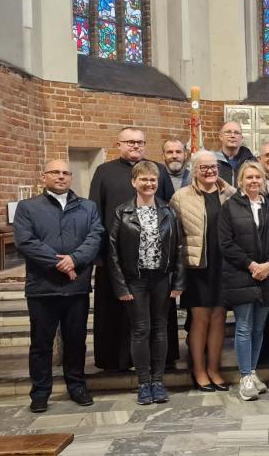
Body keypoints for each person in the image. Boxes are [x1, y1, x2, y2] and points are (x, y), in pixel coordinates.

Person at [14, 160, 103, 413]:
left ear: (71, 177)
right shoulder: (28, 207)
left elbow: (95, 237)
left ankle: (77, 386)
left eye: (65, 173)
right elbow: (26, 242)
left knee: (76, 341)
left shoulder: (87, 207)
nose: (61, 176)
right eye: (55, 172)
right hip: (42, 287)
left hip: (76, 286)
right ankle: (40, 392)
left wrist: (75, 259)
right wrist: (61, 264)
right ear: (44, 176)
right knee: (41, 344)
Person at [89, 127, 178, 371]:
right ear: (118, 144)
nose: (136, 146)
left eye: (140, 142)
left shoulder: (158, 170)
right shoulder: (104, 172)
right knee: (117, 312)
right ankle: (116, 359)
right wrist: (99, 254)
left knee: (157, 318)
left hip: (155, 261)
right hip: (116, 258)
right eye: (130, 142)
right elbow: (95, 212)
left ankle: (159, 361)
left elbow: (170, 208)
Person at [108, 161, 185, 405]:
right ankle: (143, 383)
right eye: (143, 179)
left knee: (160, 329)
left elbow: (179, 248)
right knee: (141, 330)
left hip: (161, 279)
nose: (149, 183)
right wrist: (121, 286)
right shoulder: (122, 212)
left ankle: (158, 382)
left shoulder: (168, 211)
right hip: (136, 280)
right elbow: (112, 251)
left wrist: (178, 282)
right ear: (134, 182)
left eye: (152, 179)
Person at [169, 150, 236, 392]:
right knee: (200, 319)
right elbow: (174, 237)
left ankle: (214, 369)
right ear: (194, 170)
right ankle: (198, 370)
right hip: (197, 266)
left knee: (219, 317)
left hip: (224, 265)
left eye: (213, 167)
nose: (209, 171)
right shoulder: (180, 197)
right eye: (203, 167)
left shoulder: (230, 193)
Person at [219, 161, 269, 401]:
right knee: (244, 327)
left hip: (268, 275)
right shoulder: (230, 207)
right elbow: (226, 243)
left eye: (258, 177)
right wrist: (251, 265)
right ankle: (244, 376)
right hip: (242, 275)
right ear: (241, 181)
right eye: (249, 177)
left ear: (263, 180)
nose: (254, 181)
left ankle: (253, 371)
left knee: (258, 328)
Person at [215, 121, 255, 187]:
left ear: (242, 138)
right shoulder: (213, 162)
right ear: (221, 136)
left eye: (236, 133)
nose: (232, 136)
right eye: (228, 132)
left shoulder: (252, 162)